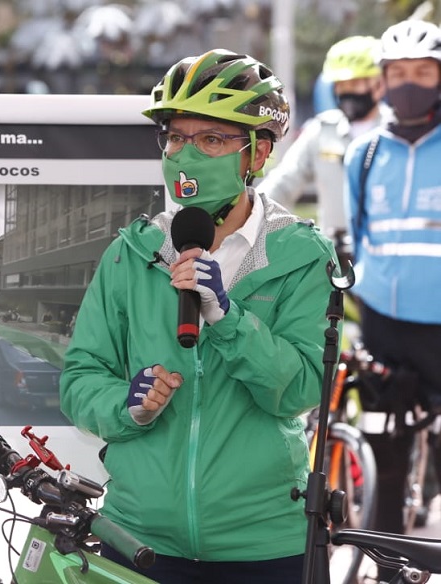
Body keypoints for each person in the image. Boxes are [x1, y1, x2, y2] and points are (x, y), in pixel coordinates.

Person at [59, 49, 336, 583]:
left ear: (257, 153)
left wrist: (229, 319)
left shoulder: (304, 255)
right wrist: (126, 404)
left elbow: (302, 389)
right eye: (176, 137)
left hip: (266, 545)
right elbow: (79, 378)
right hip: (138, 539)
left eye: (211, 139)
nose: (187, 154)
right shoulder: (131, 253)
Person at [343, 19, 441, 573]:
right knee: (386, 444)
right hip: (383, 320)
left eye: (423, 72)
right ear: (382, 81)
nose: (410, 83)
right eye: (398, 73)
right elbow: (361, 236)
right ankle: (386, 564)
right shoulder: (365, 155)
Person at [258, 35, 386, 241]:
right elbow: (283, 182)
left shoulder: (395, 134)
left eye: (355, 83)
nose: (346, 91)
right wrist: (252, 213)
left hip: (384, 255)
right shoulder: (321, 131)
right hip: (335, 258)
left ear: (380, 84)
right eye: (340, 84)